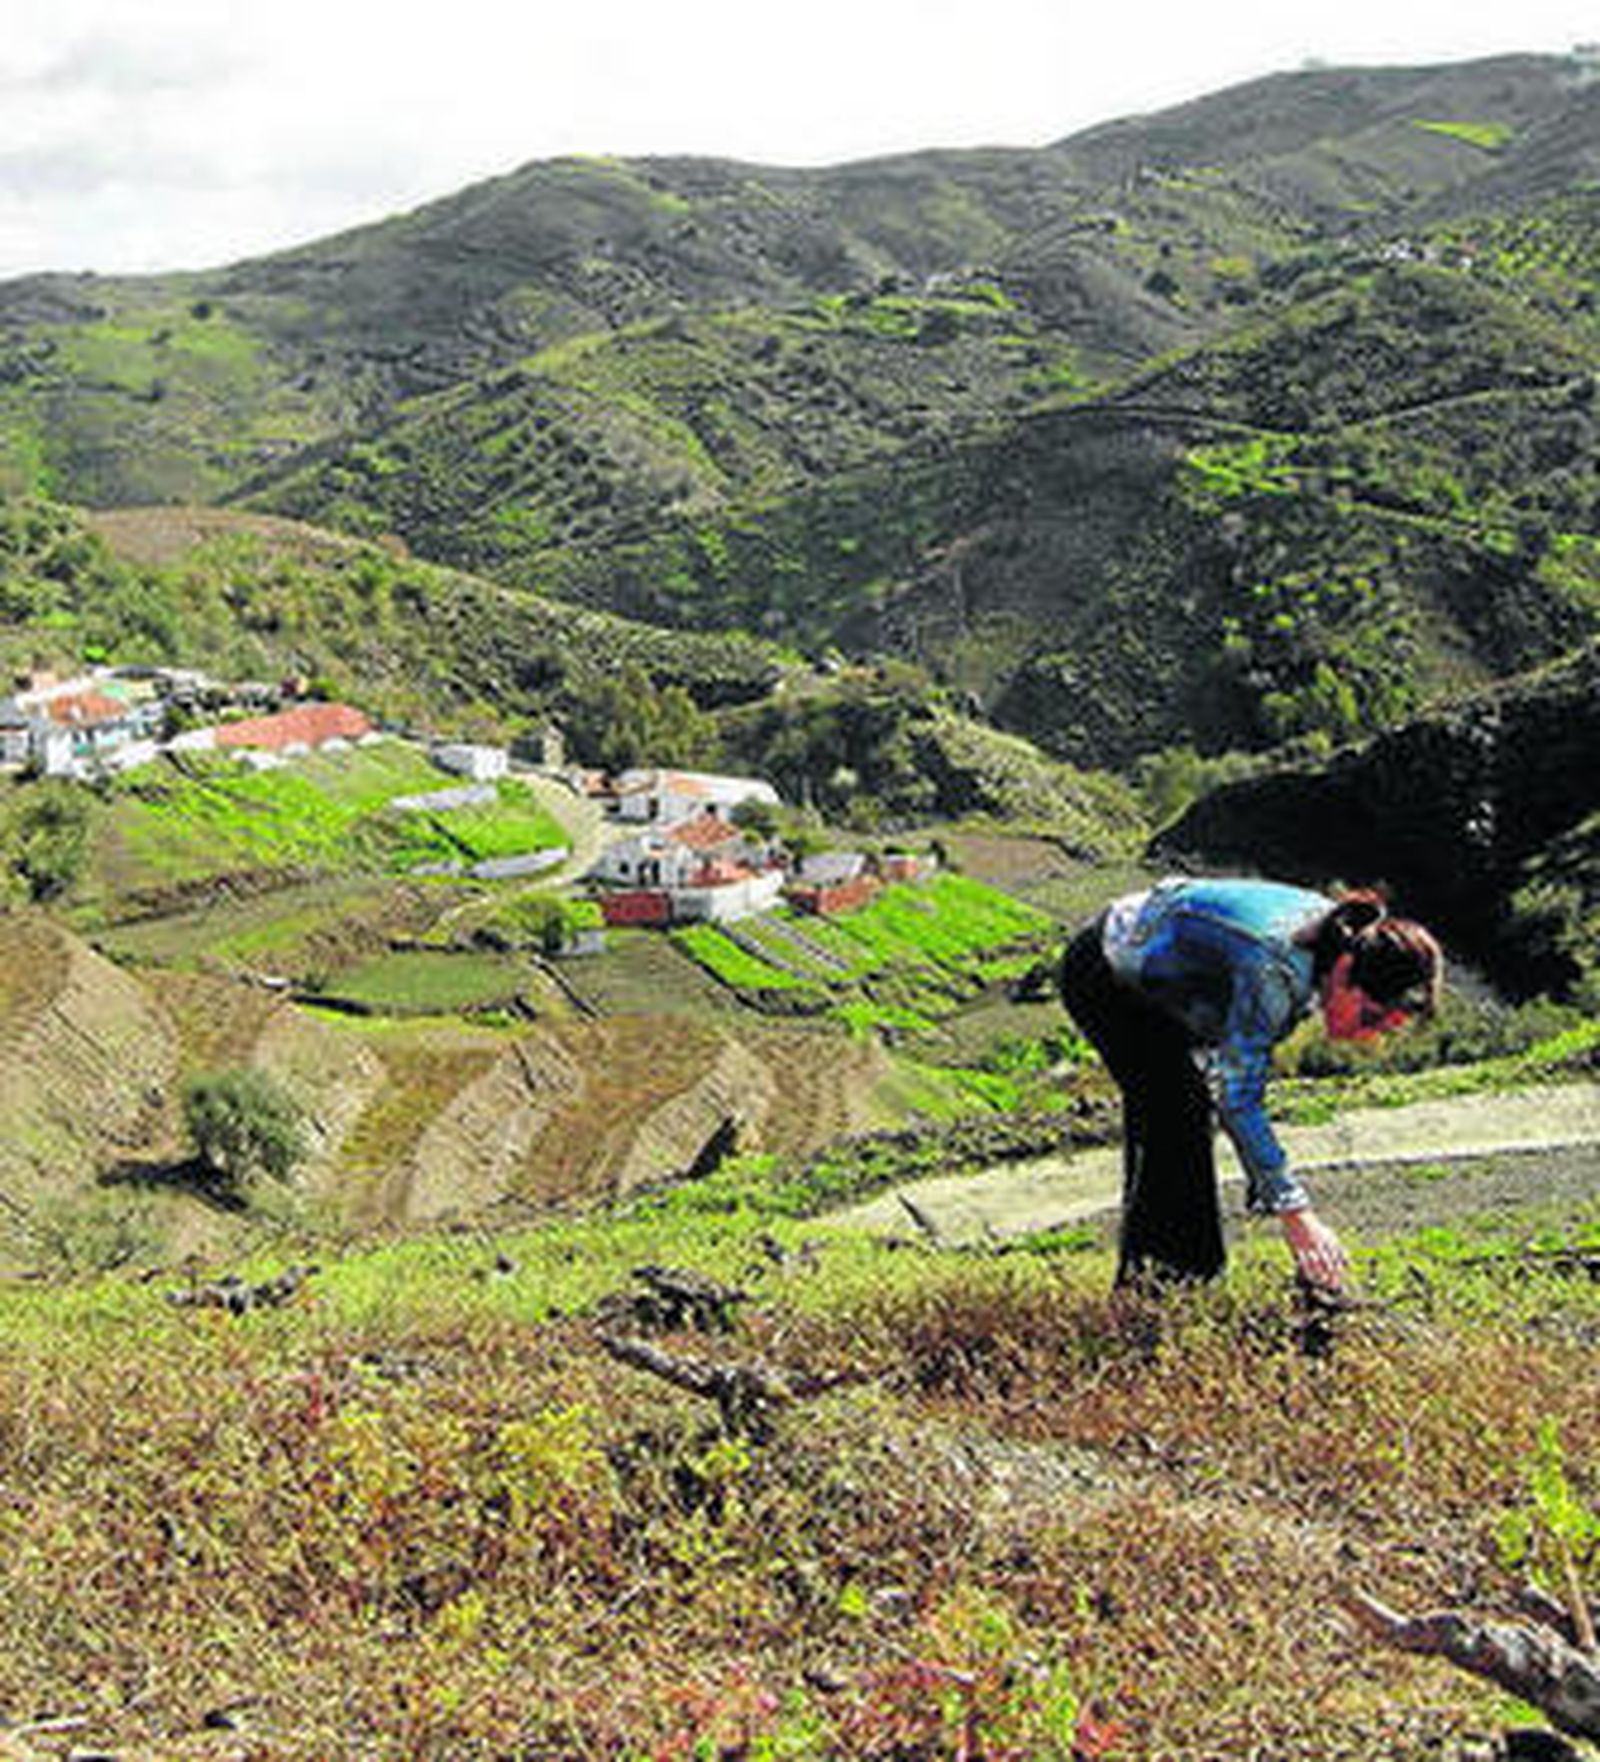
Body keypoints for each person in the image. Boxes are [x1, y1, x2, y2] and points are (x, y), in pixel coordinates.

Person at [1058, 876, 1442, 1292]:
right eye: (1368, 1016)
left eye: (1382, 1028)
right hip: (1105, 972)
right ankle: (1167, 1287)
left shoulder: (1337, 941)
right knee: (1177, 1110)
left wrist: (1275, 1192)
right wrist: (1297, 1215)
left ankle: (1161, 1282)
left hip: (1165, 983)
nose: (1366, 1036)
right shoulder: (1274, 968)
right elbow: (1238, 1096)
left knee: (1174, 1111)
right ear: (1347, 971)